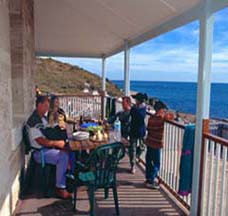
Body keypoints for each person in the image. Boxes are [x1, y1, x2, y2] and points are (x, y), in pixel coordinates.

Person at [26, 95, 71, 199]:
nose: (47, 108)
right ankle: (60, 188)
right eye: (46, 106)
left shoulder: (42, 118)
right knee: (63, 156)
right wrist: (57, 143)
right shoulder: (34, 121)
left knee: (68, 150)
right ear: (39, 105)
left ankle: (68, 176)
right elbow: (41, 141)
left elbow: (49, 131)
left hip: (46, 148)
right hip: (39, 152)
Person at [145, 100, 174, 189]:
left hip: (149, 142)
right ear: (161, 110)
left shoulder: (151, 118)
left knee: (149, 161)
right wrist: (167, 112)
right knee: (157, 164)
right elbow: (172, 117)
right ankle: (151, 179)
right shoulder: (161, 118)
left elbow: (148, 128)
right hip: (156, 144)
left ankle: (148, 178)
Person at [129, 93, 148, 174]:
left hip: (140, 130)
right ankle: (133, 164)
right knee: (132, 148)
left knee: (142, 146)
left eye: (136, 99)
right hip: (134, 130)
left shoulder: (140, 109)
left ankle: (135, 157)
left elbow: (140, 117)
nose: (135, 100)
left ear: (138, 100)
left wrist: (134, 109)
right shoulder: (139, 108)